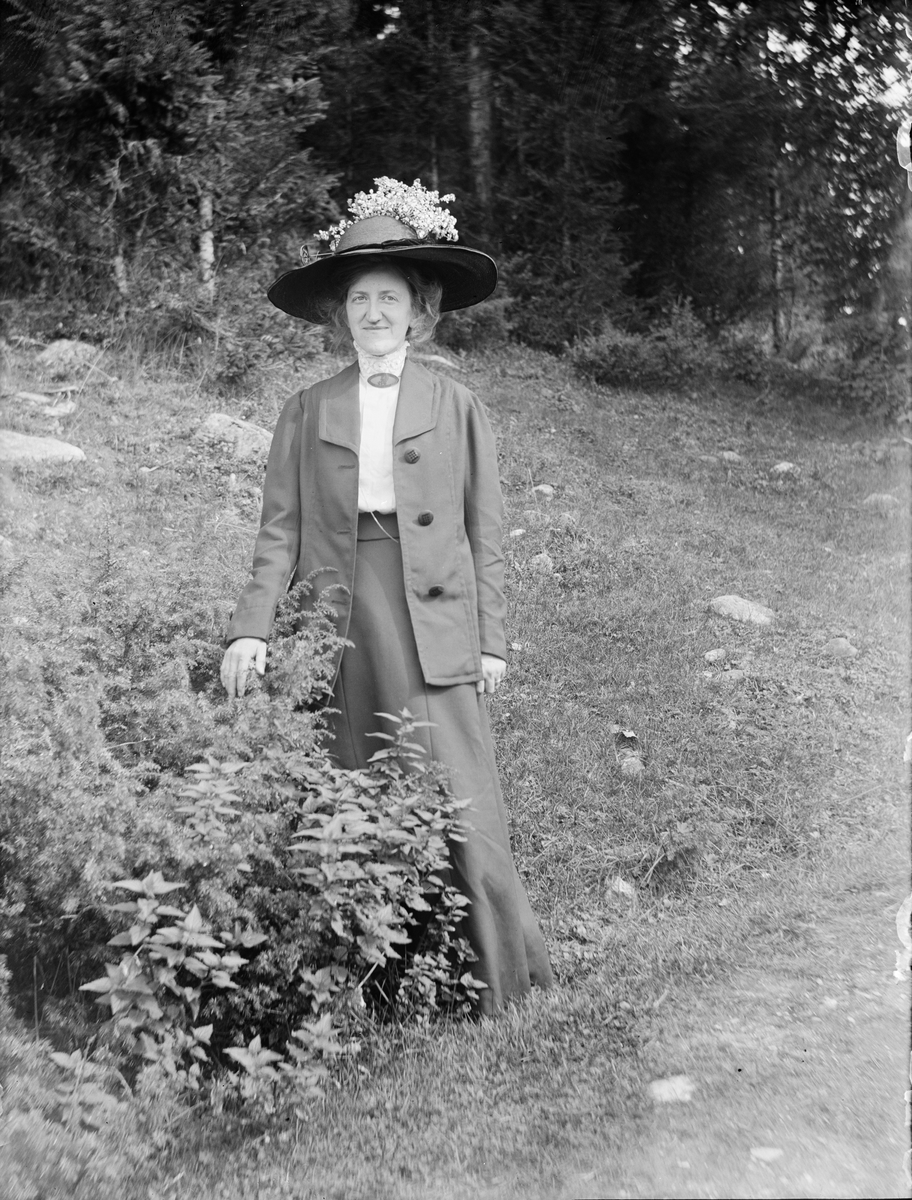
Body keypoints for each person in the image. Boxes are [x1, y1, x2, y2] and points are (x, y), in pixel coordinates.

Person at [220, 178, 553, 1014]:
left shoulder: (457, 405)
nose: (374, 312)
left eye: (390, 298)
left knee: (454, 781)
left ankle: (496, 977)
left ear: (419, 311)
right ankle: (378, 982)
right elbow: (278, 533)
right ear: (341, 314)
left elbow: (486, 532)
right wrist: (251, 629)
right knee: (351, 775)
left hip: (432, 614)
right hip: (339, 614)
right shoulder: (305, 410)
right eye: (360, 298)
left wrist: (491, 638)